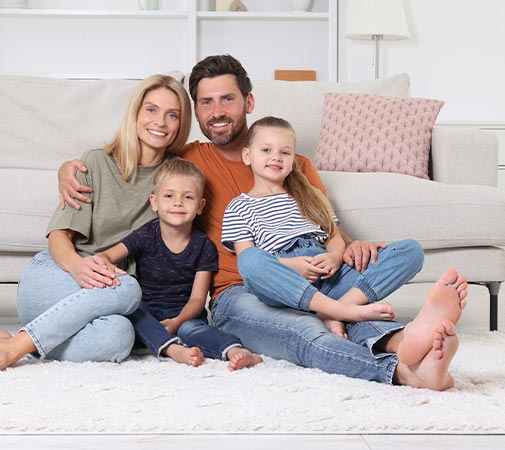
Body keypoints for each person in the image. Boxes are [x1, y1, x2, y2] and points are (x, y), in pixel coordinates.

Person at [58, 55, 468, 390]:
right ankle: (401, 371)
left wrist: (345, 246)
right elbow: (138, 153)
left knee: (351, 301)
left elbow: (323, 226)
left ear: (249, 103)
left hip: (319, 278)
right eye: (206, 102)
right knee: (307, 334)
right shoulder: (187, 161)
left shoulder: (295, 163)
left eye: (227, 100)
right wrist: (72, 167)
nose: (217, 112)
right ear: (196, 111)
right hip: (240, 292)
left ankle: (405, 345)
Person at [0, 74, 193, 378]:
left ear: (180, 124)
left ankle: (9, 341)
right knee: (129, 290)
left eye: (172, 115)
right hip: (57, 278)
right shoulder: (95, 162)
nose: (160, 121)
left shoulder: (176, 179)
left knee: (118, 338)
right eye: (151, 110)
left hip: (111, 297)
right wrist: (78, 267)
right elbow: (59, 237)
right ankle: (13, 351)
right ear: (134, 113)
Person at [221, 116, 398, 336]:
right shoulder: (239, 206)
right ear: (247, 156)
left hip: (329, 274)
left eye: (284, 153)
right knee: (249, 261)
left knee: (408, 251)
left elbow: (333, 236)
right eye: (266, 150)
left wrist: (334, 256)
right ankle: (341, 310)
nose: (276, 157)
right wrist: (292, 265)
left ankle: (332, 312)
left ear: (292, 159)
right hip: (287, 280)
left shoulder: (309, 195)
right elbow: (246, 256)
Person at [104, 158, 262, 370]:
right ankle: (172, 349)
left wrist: (177, 321)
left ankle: (235, 350)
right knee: (133, 312)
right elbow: (105, 257)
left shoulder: (203, 245)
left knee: (196, 331)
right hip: (148, 312)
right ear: (154, 202)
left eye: (188, 197)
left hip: (186, 313)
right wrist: (114, 272)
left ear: (200, 206)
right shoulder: (145, 235)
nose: (178, 202)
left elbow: (198, 299)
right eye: (169, 196)